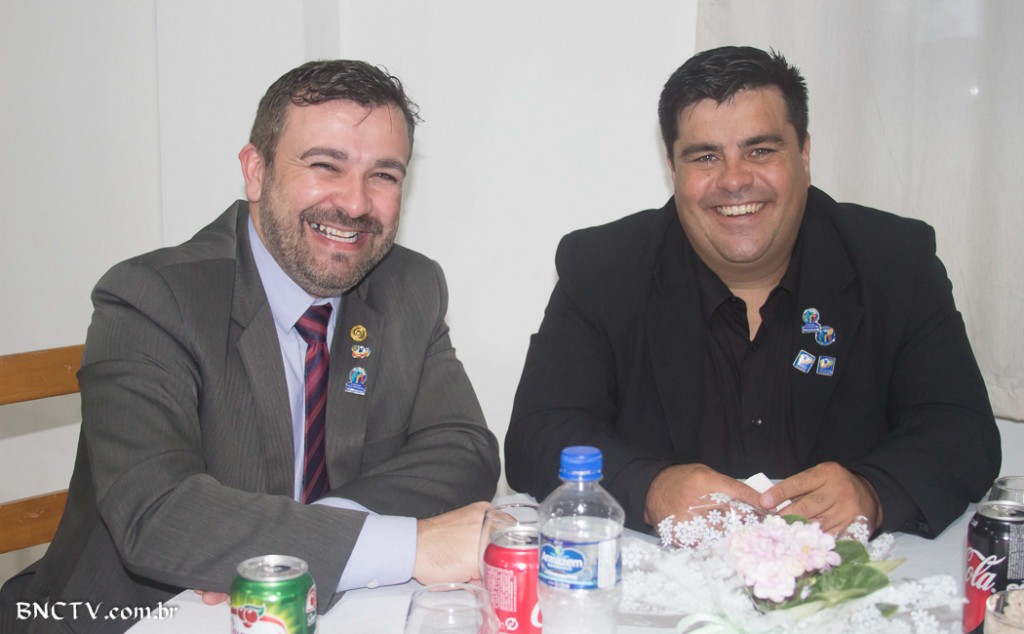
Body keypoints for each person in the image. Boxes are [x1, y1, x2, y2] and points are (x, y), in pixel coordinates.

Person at [0, 60, 500, 633]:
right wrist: (410, 547)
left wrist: (319, 533)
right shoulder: (152, 297)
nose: (356, 204)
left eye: (383, 175)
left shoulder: (409, 286)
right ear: (256, 171)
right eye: (325, 165)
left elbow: (464, 448)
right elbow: (157, 514)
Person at [505, 46, 1000, 539]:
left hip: (852, 575)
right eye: (705, 157)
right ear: (673, 169)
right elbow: (539, 434)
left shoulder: (895, 261)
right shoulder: (602, 268)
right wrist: (649, 489)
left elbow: (961, 430)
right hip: (657, 574)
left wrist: (874, 492)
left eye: (760, 151)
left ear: (804, 154)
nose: (735, 180)